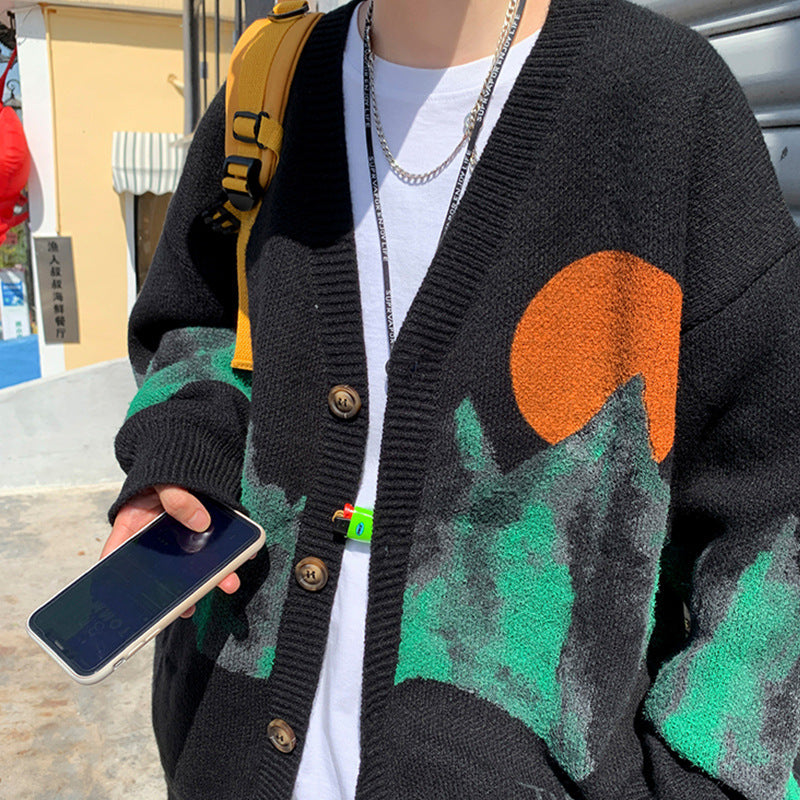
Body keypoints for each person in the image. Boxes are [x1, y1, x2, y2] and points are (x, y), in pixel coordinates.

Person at [104, 0, 800, 797]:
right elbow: (197, 317)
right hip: (226, 758)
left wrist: (707, 778)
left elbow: (776, 494)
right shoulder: (269, 85)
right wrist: (186, 449)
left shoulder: (660, 99)